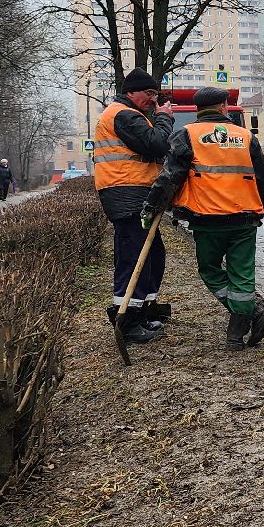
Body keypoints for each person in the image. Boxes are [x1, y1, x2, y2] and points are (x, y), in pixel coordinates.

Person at [142, 86, 264, 350]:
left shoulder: (187, 134)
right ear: (224, 107)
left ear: (197, 109)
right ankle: (242, 325)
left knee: (210, 270)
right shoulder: (245, 136)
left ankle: (244, 323)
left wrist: (152, 205)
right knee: (243, 273)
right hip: (245, 217)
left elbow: (171, 175)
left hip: (207, 218)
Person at [93, 70, 174, 345]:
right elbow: (157, 144)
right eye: (149, 94)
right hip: (125, 192)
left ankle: (143, 311)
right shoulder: (123, 115)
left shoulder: (132, 115)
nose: (153, 100)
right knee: (133, 255)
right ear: (132, 92)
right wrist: (164, 118)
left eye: (155, 95)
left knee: (152, 254)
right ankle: (126, 318)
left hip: (134, 190)